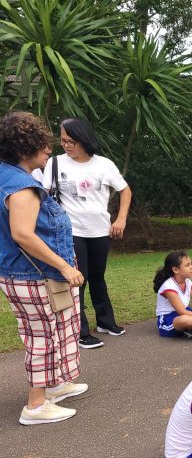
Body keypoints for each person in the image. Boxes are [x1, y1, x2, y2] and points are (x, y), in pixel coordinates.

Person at [0, 111, 86, 425]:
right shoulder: (21, 186)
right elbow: (23, 234)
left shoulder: (6, 175)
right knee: (43, 336)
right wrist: (64, 266)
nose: (50, 150)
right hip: (34, 275)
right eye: (43, 145)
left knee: (54, 330)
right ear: (25, 150)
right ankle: (36, 406)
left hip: (19, 272)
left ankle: (55, 386)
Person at [42, 118, 132, 349]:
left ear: (84, 139)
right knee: (78, 279)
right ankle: (80, 331)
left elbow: (125, 190)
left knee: (98, 276)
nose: (65, 145)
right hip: (71, 231)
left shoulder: (104, 164)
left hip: (100, 230)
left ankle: (105, 322)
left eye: (70, 141)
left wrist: (120, 218)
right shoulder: (55, 164)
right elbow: (43, 197)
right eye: (62, 140)